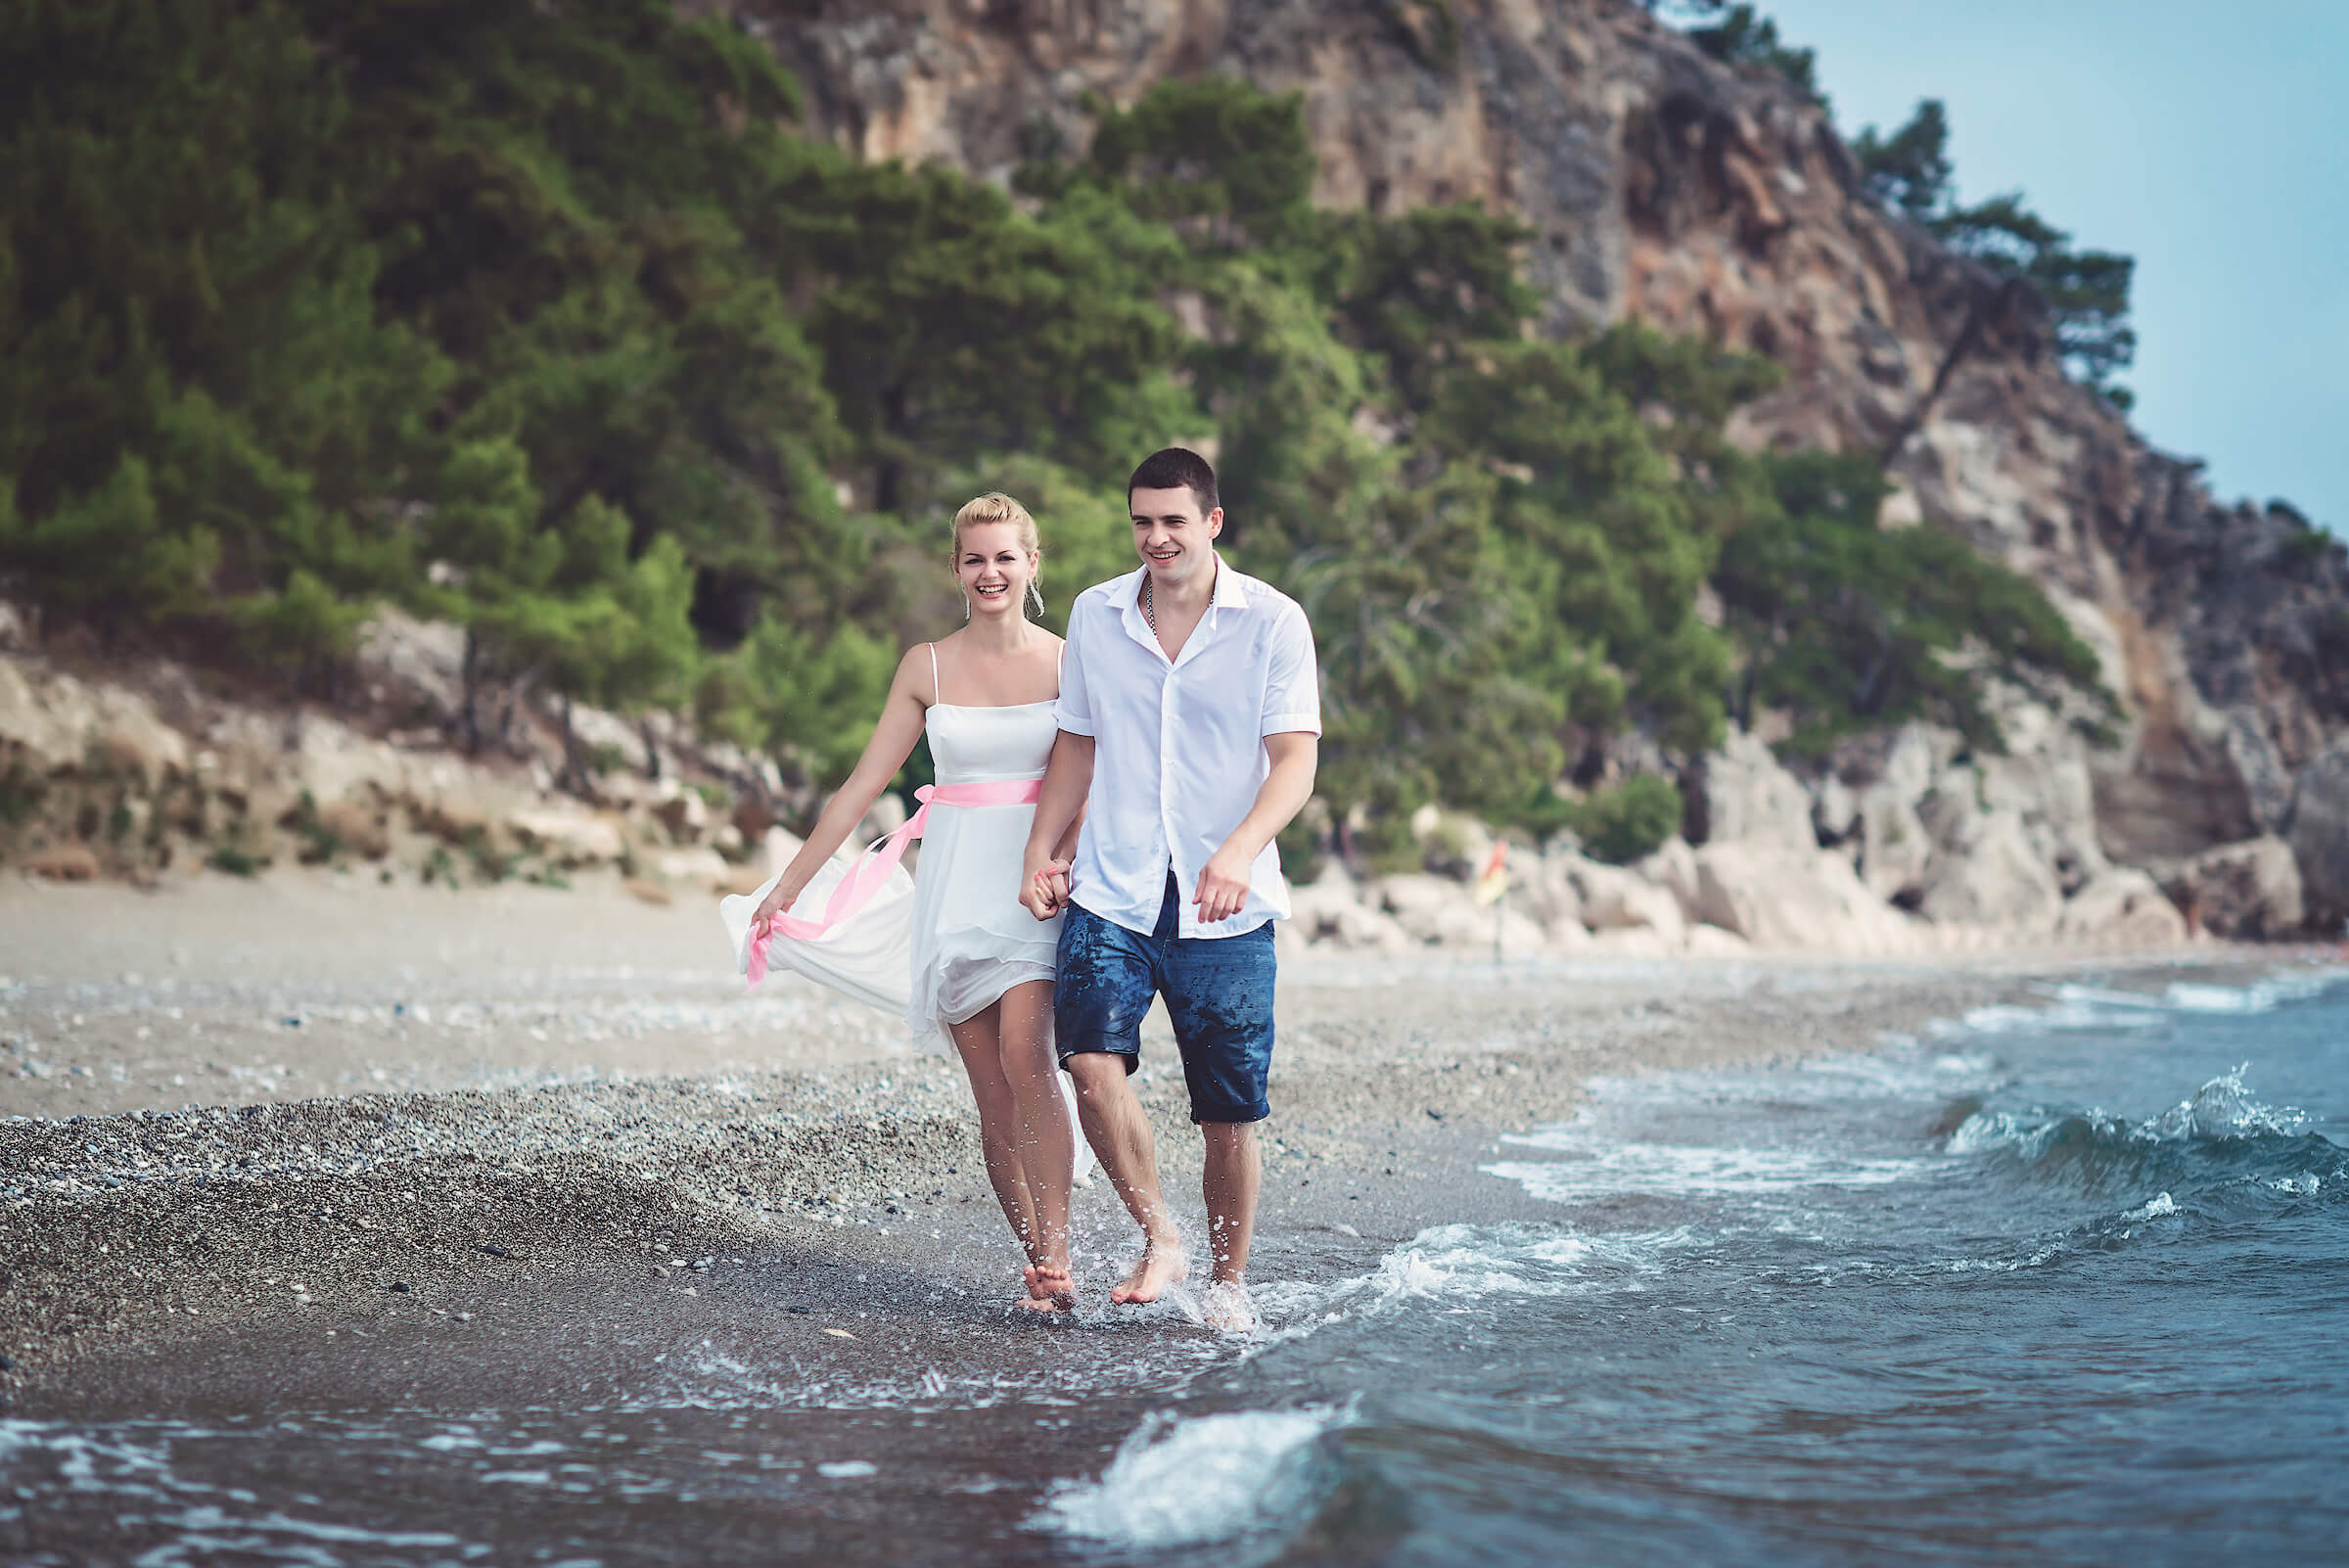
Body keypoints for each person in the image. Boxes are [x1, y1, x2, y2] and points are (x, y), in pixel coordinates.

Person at [718, 493, 1086, 1313]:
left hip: (1034, 887)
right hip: (952, 888)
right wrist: (786, 884)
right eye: (974, 559)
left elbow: (1091, 776)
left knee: (1031, 1059)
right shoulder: (926, 665)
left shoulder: (1071, 662)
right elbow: (861, 787)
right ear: (955, 569)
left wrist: (1066, 857)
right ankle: (1036, 1265)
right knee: (991, 1091)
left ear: (1033, 564)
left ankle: (1060, 1256)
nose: (990, 572)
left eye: (1005, 557)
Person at [1020, 447, 1320, 1331]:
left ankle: (1226, 1284)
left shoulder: (1272, 622)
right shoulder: (1096, 614)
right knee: (1088, 1064)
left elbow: (1296, 759)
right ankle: (1162, 1236)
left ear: (1212, 524)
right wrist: (1043, 849)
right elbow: (1076, 742)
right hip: (1111, 886)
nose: (1156, 538)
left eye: (1174, 522)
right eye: (1142, 522)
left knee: (1228, 1111)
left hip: (1225, 905)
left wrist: (1240, 848)